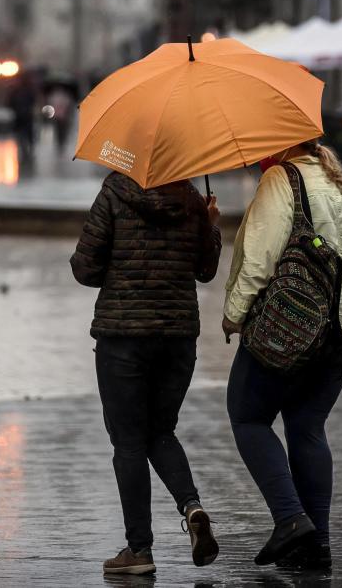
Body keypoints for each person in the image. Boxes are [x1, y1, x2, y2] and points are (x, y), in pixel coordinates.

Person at [222, 140, 342, 570]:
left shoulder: (280, 179)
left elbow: (259, 262)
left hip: (293, 325)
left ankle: (289, 519)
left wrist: (233, 315)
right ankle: (316, 544)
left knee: (247, 416)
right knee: (307, 426)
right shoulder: (336, 180)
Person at [70, 172, 222, 576]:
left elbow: (85, 267)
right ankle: (192, 507)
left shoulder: (115, 191)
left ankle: (139, 550)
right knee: (161, 431)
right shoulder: (192, 198)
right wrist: (210, 224)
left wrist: (119, 266)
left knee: (129, 442)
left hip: (123, 337)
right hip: (177, 338)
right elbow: (206, 270)